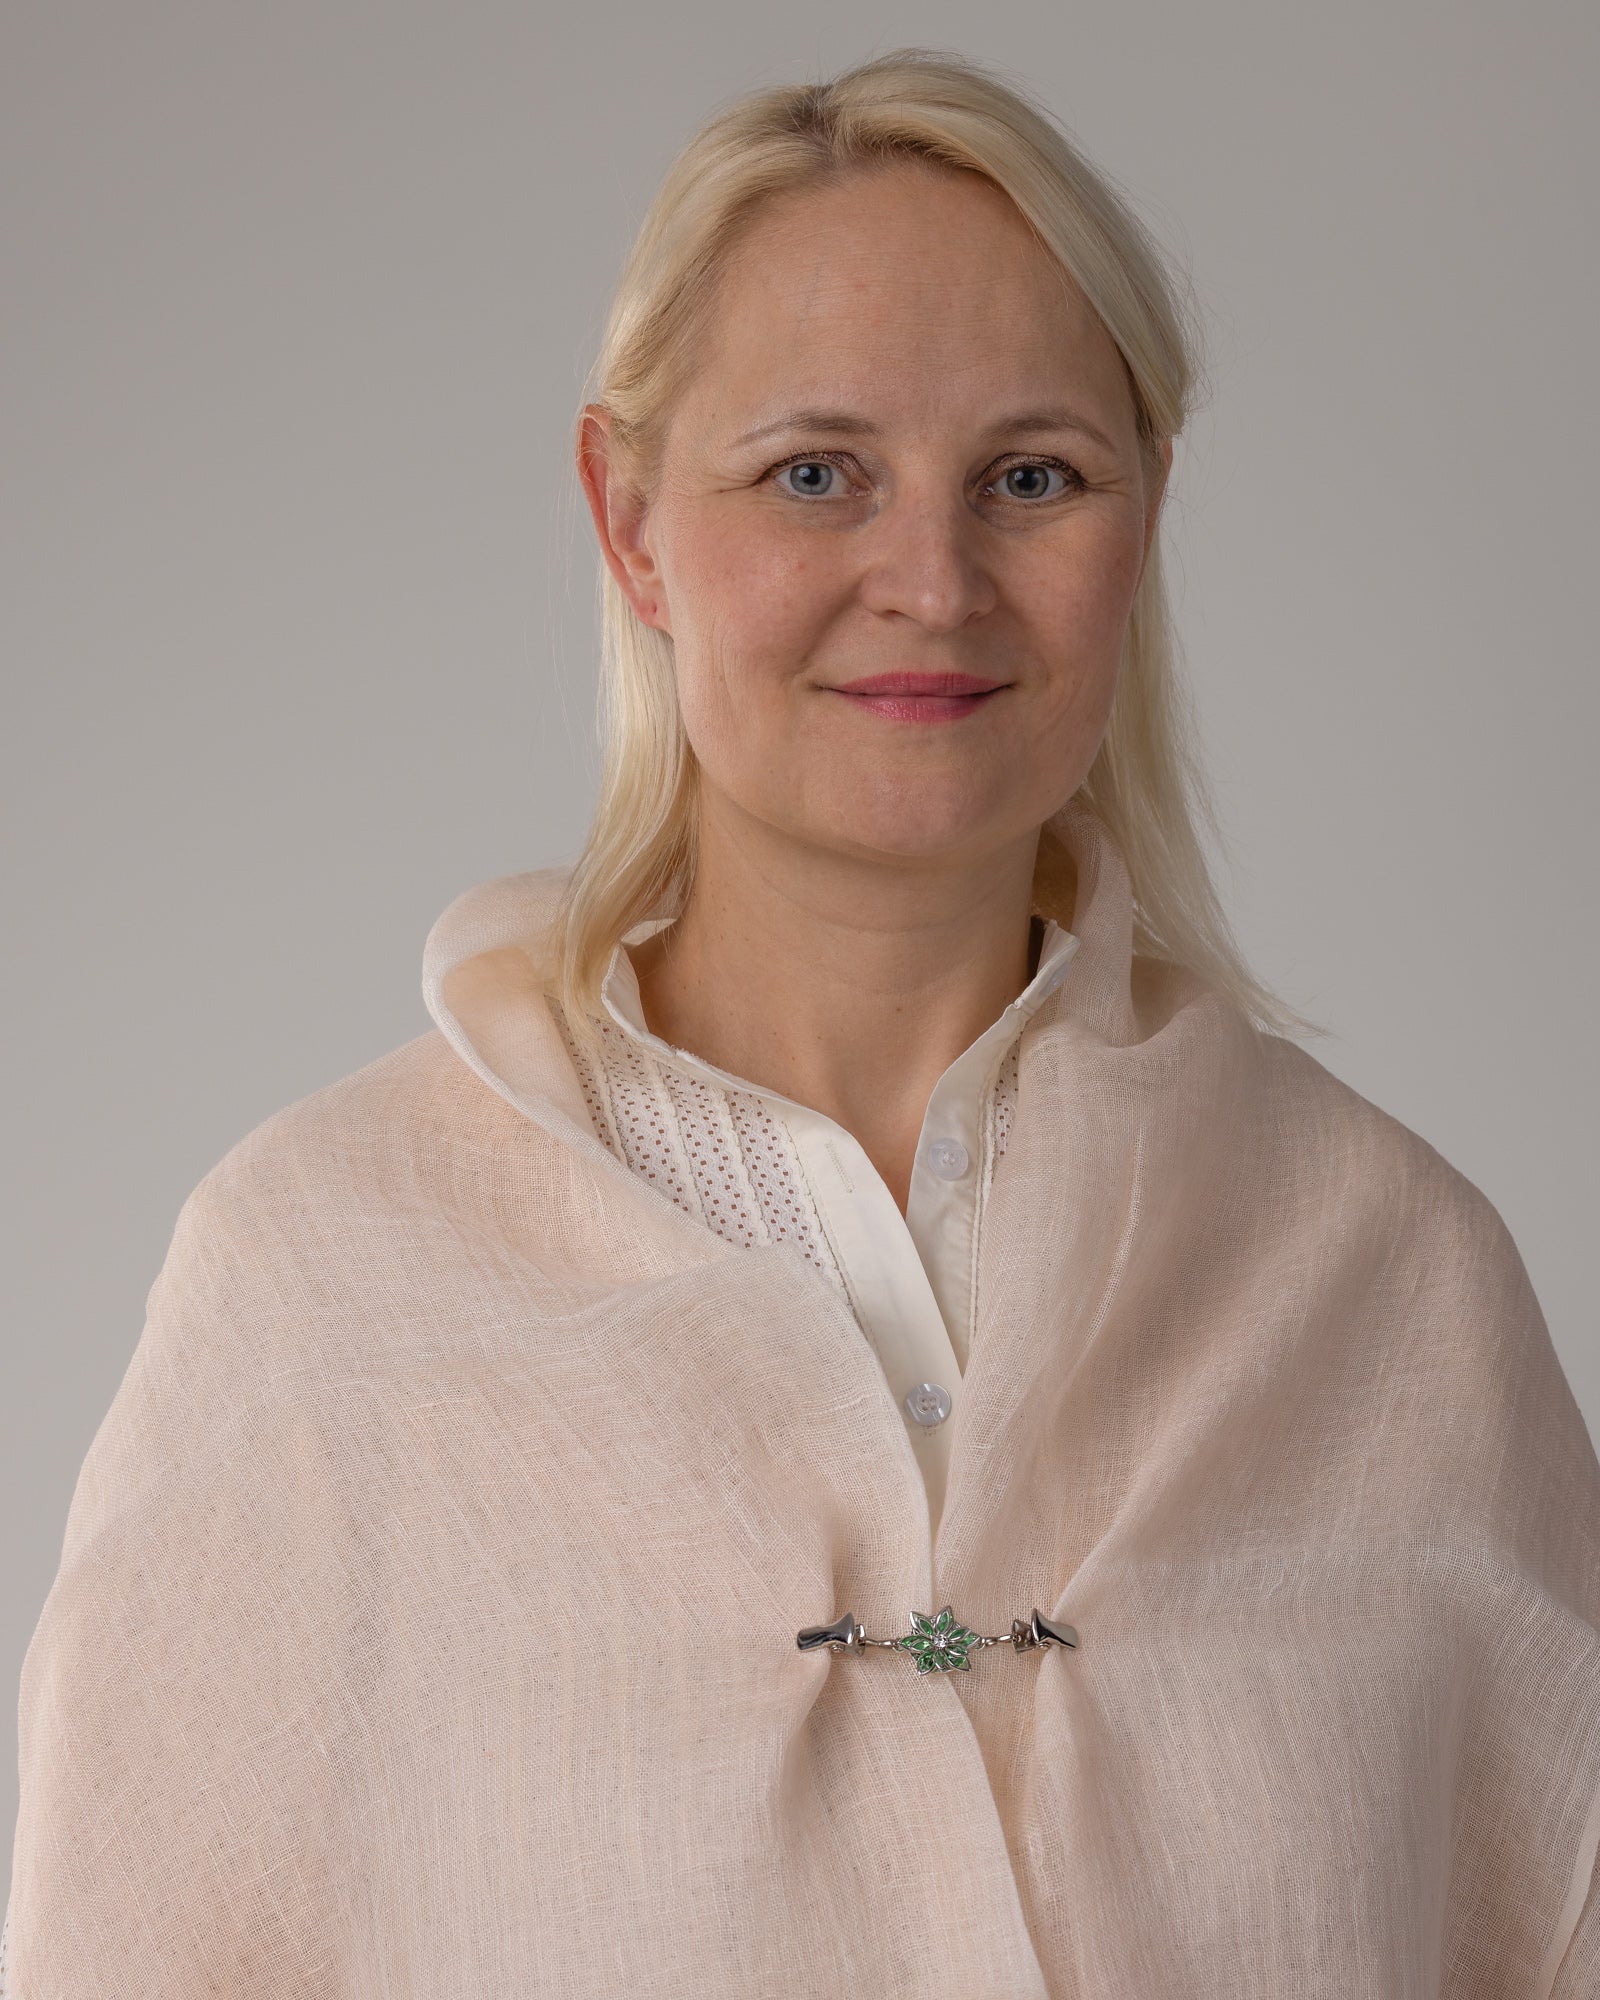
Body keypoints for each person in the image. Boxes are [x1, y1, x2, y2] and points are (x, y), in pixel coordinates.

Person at [6, 46, 1598, 1997]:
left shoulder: (1395, 1287)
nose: (931, 581)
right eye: (814, 474)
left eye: (1032, 476)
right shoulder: (319, 1292)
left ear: (1145, 514)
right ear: (629, 520)